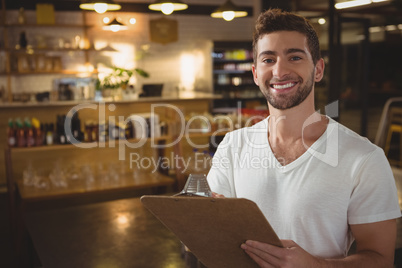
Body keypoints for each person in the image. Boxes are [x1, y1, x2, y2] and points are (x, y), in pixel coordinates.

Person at [207, 8, 401, 267]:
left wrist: (317, 265)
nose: (279, 71)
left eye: (295, 57)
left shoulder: (364, 159)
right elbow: (211, 239)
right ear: (255, 74)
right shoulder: (232, 146)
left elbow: (381, 259)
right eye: (268, 60)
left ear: (318, 69)